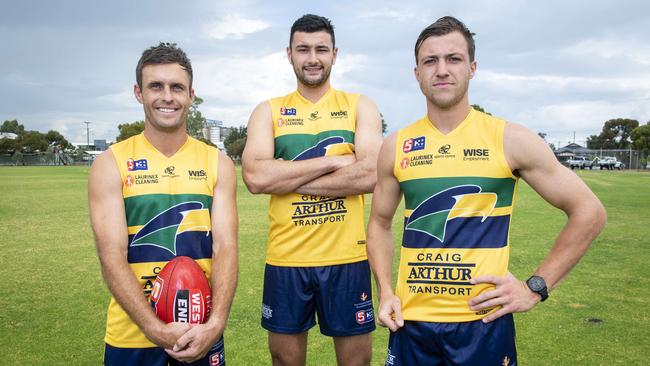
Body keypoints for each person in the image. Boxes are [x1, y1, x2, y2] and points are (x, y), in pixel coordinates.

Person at [366, 16, 606, 365]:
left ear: (472, 67)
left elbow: (589, 211)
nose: (442, 70)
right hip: (411, 324)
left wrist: (535, 288)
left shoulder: (510, 139)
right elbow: (379, 224)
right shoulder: (397, 145)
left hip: (483, 325)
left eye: (454, 59)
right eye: (430, 61)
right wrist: (385, 291)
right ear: (416, 73)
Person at [242, 14, 383, 366]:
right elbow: (256, 177)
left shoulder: (359, 106)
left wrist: (287, 177)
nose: (312, 58)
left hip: (347, 260)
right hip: (287, 260)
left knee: (357, 363)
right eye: (302, 49)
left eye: (321, 49)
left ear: (335, 54)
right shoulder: (268, 111)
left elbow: (370, 175)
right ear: (288, 54)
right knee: (285, 362)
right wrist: (334, 162)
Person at [89, 42, 238, 366]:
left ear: (191, 95)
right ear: (138, 92)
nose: (167, 96)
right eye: (156, 86)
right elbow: (111, 256)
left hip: (200, 330)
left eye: (177, 87)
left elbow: (225, 247)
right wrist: (155, 329)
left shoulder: (218, 163)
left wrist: (215, 324)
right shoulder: (110, 163)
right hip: (131, 336)